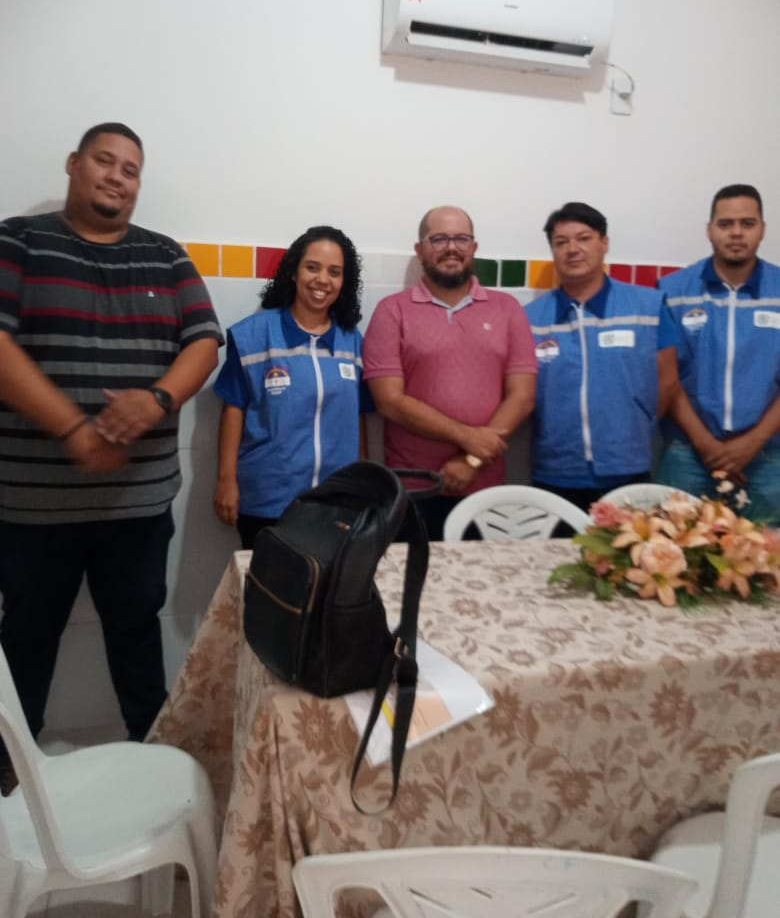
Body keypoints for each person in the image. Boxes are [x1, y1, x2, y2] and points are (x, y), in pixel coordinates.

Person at [0, 123, 222, 782]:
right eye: (105, 161)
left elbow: (204, 342)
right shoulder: (18, 242)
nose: (117, 177)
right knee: (26, 640)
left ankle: (154, 763)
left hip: (138, 503)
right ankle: (11, 774)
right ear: (74, 163)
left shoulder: (166, 255)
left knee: (136, 633)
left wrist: (157, 400)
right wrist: (75, 431)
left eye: (131, 169)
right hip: (33, 508)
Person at [362, 206, 537, 541]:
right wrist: (467, 437)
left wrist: (470, 460)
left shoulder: (507, 309)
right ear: (420, 249)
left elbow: (522, 396)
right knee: (412, 575)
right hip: (413, 489)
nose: (451, 247)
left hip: (486, 490)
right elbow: (389, 401)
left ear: (474, 247)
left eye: (461, 238)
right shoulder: (391, 311)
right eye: (439, 239)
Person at [213, 225, 368, 548]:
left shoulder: (352, 341)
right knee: (269, 581)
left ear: (344, 281)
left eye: (334, 272)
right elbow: (233, 410)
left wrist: (363, 484)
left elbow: (359, 417)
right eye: (312, 267)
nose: (322, 280)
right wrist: (226, 479)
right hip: (267, 500)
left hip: (336, 503)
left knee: (330, 581)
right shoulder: (254, 335)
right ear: (294, 272)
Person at [524, 201, 679, 513]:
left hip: (628, 471)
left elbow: (668, 378)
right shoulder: (530, 318)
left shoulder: (647, 306)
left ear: (604, 243)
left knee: (630, 546)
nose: (572, 249)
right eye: (561, 242)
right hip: (555, 473)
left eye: (584, 238)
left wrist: (635, 424)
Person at [657, 184, 780, 523]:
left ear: (762, 229)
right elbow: (668, 379)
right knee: (674, 551)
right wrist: (707, 445)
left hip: (768, 457)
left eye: (747, 223)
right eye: (726, 224)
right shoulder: (673, 290)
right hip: (687, 454)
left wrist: (751, 443)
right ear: (710, 230)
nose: (736, 233)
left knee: (765, 555)